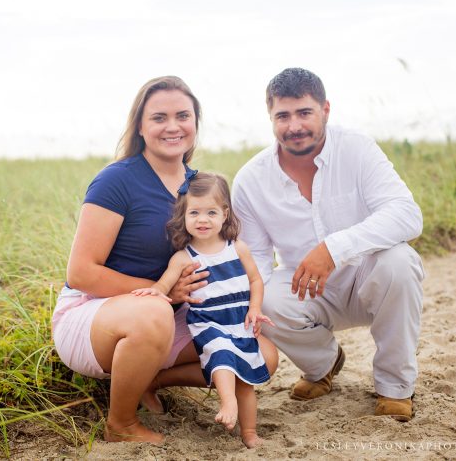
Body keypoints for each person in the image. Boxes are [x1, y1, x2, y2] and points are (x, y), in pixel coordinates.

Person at [51, 75, 280, 444]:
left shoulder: (200, 187)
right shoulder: (116, 181)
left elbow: (223, 252)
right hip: (94, 315)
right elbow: (80, 273)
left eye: (183, 116)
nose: (172, 126)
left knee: (262, 353)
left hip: (170, 316)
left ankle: (149, 380)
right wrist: (164, 291)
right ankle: (121, 424)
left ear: (195, 123)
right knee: (154, 310)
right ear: (140, 126)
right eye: (159, 117)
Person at [232, 68, 424, 422]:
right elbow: (256, 256)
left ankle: (394, 386)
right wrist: (245, 303)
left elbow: (407, 215)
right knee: (264, 297)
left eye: (304, 112)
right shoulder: (250, 180)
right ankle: (324, 364)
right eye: (282, 116)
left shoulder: (357, 148)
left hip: (371, 277)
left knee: (400, 261)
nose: (294, 126)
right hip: (308, 288)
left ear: (326, 110)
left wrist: (334, 249)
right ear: (270, 118)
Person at [132, 172, 273, 448]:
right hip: (208, 324)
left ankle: (250, 434)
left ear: (225, 214)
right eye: (194, 212)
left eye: (211, 212)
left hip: (238, 323)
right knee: (221, 353)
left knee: (246, 380)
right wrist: (154, 292)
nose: (203, 219)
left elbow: (255, 280)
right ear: (183, 217)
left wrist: (254, 308)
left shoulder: (238, 248)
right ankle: (227, 402)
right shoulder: (184, 257)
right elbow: (164, 285)